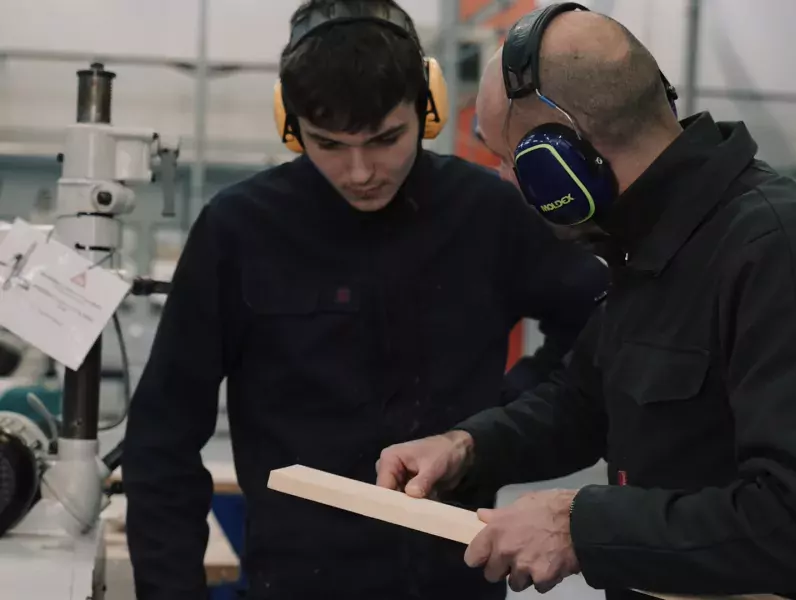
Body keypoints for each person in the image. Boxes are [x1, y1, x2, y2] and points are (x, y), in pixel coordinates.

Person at [121, 1, 609, 599]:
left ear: (426, 111)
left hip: (453, 581)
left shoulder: (487, 215)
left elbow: (600, 325)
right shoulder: (240, 231)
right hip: (294, 582)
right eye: (328, 144)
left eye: (385, 139)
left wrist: (494, 428)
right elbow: (161, 434)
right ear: (291, 123)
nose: (359, 171)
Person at [376, 3, 796, 600]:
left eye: (510, 159)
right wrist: (467, 447)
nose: (504, 182)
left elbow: (787, 520)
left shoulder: (771, 251)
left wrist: (580, 529)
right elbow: (582, 405)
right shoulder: (650, 244)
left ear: (561, 163)